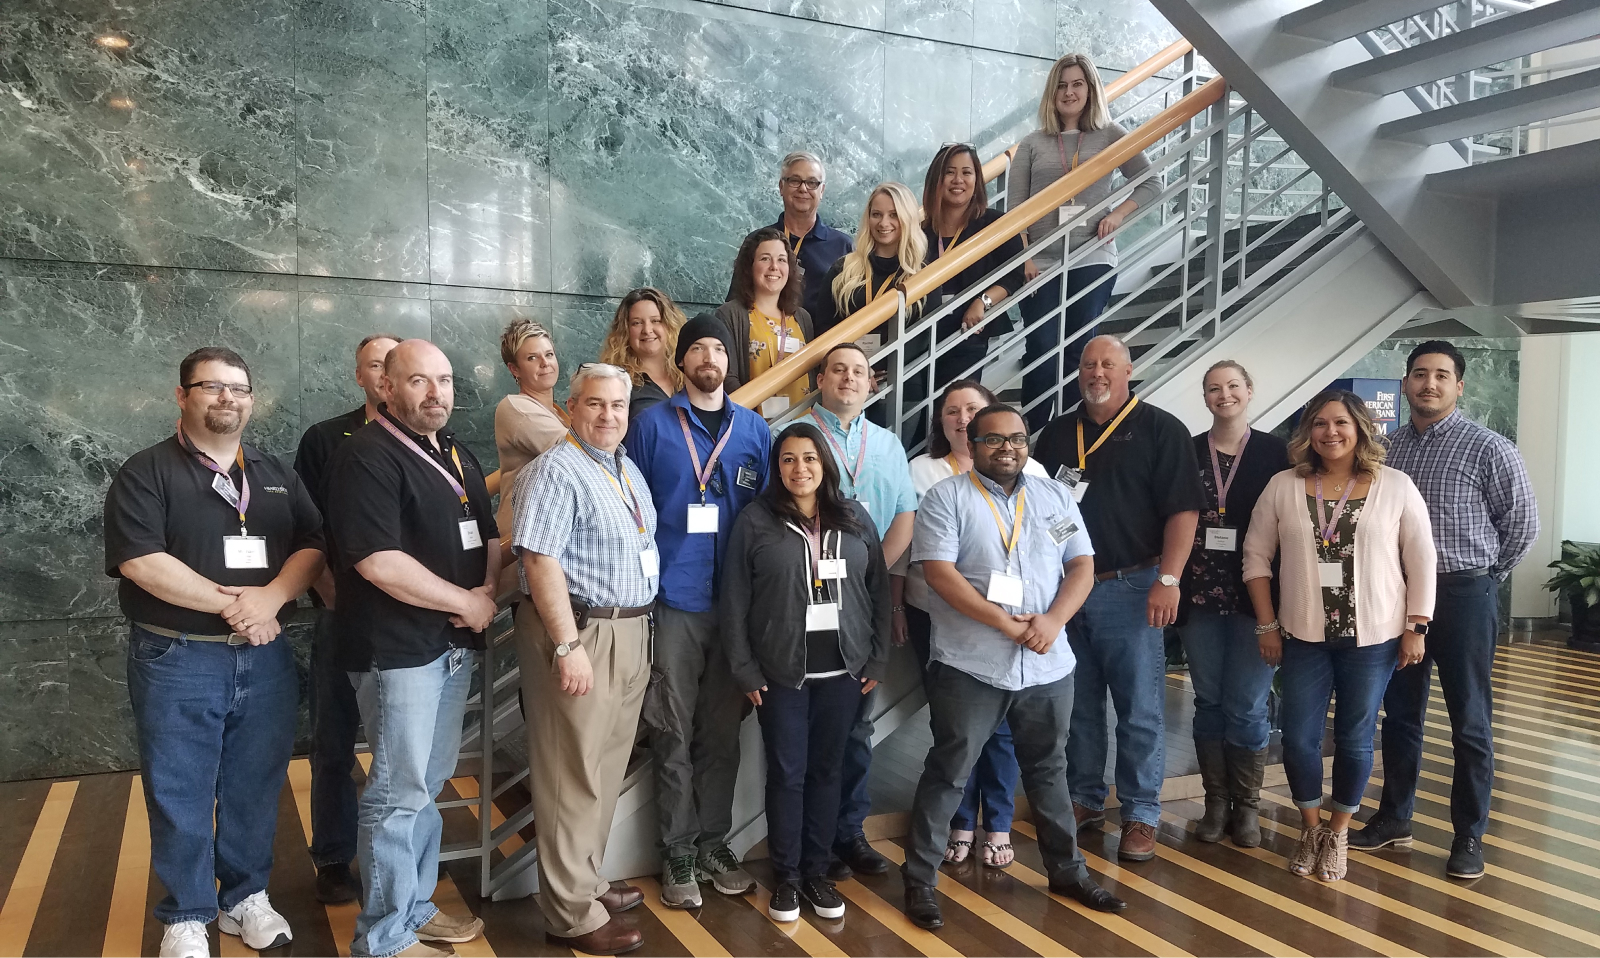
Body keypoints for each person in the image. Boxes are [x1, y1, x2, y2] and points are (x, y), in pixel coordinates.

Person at [105, 347, 325, 958]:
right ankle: (186, 913)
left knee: (256, 783)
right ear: (182, 396)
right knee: (181, 787)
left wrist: (274, 597)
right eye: (211, 387)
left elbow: (312, 544)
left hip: (266, 659)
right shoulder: (146, 471)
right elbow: (141, 561)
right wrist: (237, 606)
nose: (227, 398)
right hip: (178, 656)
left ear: (252, 400)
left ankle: (244, 898)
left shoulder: (277, 472)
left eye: (239, 388)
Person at [901, 403, 1123, 931]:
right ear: (972, 445)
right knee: (949, 771)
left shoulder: (1053, 496)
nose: (1008, 448)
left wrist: (1052, 621)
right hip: (970, 662)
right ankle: (919, 883)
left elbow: (1082, 565)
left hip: (1047, 661)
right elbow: (940, 574)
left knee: (1049, 770)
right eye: (995, 440)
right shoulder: (945, 497)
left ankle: (1067, 872)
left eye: (1017, 439)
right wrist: (1005, 624)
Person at [325, 339, 500, 958]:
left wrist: (487, 588)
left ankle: (413, 907)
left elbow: (490, 534)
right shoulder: (366, 458)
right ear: (386, 388)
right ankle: (383, 938)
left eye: (445, 380)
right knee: (398, 790)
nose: (436, 393)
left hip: (450, 646)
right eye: (419, 381)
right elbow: (378, 562)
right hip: (396, 651)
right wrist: (467, 601)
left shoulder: (455, 452)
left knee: (427, 782)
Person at [1352, 340, 1538, 880]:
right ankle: (1395, 819)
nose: (1428, 384)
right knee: (1401, 715)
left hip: (1462, 597)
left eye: (1440, 375)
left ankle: (1469, 836)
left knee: (1470, 722)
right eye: (1418, 375)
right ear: (1405, 383)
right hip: (1398, 599)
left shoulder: (1490, 448)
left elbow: (1522, 528)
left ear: (1459, 385)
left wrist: (1484, 579)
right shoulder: (1388, 451)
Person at [1243, 389, 1436, 884]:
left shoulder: (1395, 486)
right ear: (1307, 432)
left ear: (1361, 430)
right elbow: (1256, 557)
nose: (1331, 433)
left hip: (1372, 638)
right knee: (1300, 740)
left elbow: (1421, 561)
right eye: (1321, 424)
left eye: (1342, 423)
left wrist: (1416, 627)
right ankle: (1310, 829)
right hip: (1303, 636)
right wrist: (1267, 624)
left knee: (1353, 739)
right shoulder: (1284, 486)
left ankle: (1339, 832)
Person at [1032, 334, 1202, 862]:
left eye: (1108, 364)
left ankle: (1141, 812)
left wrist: (1168, 580)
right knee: (1078, 707)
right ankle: (1085, 799)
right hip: (1066, 590)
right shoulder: (1058, 434)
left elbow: (1184, 512)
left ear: (1129, 371)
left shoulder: (1161, 429)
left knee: (1140, 709)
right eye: (1087, 364)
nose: (1097, 373)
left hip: (1134, 587)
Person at [511, 363, 659, 956]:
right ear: (571, 407)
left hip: (629, 630)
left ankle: (588, 880)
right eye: (594, 404)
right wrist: (568, 645)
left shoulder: (623, 467)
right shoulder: (556, 470)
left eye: (617, 406)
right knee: (571, 773)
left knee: (602, 768)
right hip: (581, 635)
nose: (608, 415)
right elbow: (540, 560)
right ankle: (570, 913)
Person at [624, 314, 771, 908]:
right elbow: (631, 508)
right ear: (681, 361)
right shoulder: (650, 426)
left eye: (719, 347)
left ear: (729, 361)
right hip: (674, 601)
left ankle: (714, 841)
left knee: (723, 732)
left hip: (736, 606)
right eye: (698, 348)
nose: (709, 356)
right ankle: (678, 849)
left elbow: (765, 519)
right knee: (673, 730)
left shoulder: (755, 430)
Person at [721, 421, 891, 923]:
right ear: (777, 468)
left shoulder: (855, 517)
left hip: (845, 671)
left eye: (810, 459)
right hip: (779, 676)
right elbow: (733, 601)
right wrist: (745, 670)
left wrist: (878, 657)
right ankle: (787, 878)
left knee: (827, 772)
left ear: (825, 465)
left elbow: (880, 589)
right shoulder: (756, 520)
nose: (800, 468)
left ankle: (817, 871)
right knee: (788, 775)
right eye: (789, 459)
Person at [903, 380, 1050, 869]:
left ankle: (1000, 821)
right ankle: (962, 819)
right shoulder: (924, 471)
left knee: (1005, 730)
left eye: (973, 409)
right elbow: (919, 554)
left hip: (1021, 622)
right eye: (951, 411)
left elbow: (1059, 550)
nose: (962, 418)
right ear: (942, 422)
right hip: (944, 617)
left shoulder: (1036, 476)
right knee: (959, 731)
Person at [799, 343, 918, 880]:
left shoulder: (890, 444)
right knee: (804, 730)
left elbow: (904, 518)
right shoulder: (796, 436)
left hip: (861, 606)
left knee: (856, 729)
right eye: (838, 370)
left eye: (859, 372)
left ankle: (848, 833)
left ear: (874, 384)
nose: (849, 379)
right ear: (820, 378)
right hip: (804, 601)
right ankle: (808, 841)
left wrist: (870, 580)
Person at [292, 331, 401, 904]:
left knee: (400, 750)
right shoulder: (324, 439)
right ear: (360, 376)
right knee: (333, 742)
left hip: (408, 624)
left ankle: (396, 865)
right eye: (374, 365)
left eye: (394, 363)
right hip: (341, 614)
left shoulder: (432, 442)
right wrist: (333, 597)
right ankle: (334, 858)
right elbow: (308, 530)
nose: (385, 373)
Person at [1013, 53, 1160, 432]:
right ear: (1052, 92)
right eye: (1062, 85)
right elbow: (1016, 211)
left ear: (1090, 89)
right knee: (1042, 350)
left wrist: (1118, 214)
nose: (1069, 92)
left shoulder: (1110, 134)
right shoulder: (1032, 143)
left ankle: (1071, 435)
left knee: (1078, 352)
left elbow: (1150, 183)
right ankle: (1032, 435)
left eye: (1077, 84)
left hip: (1092, 257)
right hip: (1040, 262)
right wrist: (1025, 255)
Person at [1178, 361, 1288, 849]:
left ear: (1250, 391)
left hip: (1255, 598)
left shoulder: (1277, 453)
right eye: (1213, 388)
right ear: (1204, 397)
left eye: (1233, 386)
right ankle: (1215, 802)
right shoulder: (1186, 451)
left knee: (1246, 704)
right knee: (1209, 701)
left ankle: (1246, 807)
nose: (1224, 395)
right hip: (1198, 596)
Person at [921, 143, 1025, 391]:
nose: (958, 180)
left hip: (968, 330)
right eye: (949, 172)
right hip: (923, 336)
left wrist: (983, 302)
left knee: (955, 403)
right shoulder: (921, 232)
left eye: (966, 172)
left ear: (977, 180)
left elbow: (1014, 274)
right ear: (937, 178)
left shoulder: (993, 224)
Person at [730, 151, 854, 325]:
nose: (803, 188)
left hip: (823, 347)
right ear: (781, 187)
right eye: (795, 181)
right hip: (764, 346)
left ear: (822, 191)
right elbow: (736, 301)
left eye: (812, 182)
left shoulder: (843, 247)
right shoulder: (758, 241)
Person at [494, 319, 569, 593]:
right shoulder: (516, 407)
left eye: (549, 354)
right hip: (523, 549)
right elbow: (578, 455)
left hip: (551, 546)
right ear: (514, 369)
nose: (545, 363)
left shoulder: (559, 412)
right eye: (532, 358)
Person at [814, 181, 927, 348]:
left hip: (900, 372)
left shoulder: (924, 275)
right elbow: (823, 327)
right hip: (848, 371)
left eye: (893, 215)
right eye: (876, 214)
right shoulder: (842, 269)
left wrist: (882, 367)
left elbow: (923, 339)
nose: (883, 223)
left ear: (907, 218)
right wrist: (856, 368)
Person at [717, 228, 814, 414]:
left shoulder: (802, 318)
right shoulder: (730, 314)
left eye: (781, 260)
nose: (774, 267)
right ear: (749, 266)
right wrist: (752, 420)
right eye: (765, 258)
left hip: (801, 426)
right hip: (753, 425)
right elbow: (727, 377)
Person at [599, 287, 688, 418]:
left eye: (655, 321)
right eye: (637, 323)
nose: (647, 330)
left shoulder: (688, 375)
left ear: (670, 325)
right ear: (625, 331)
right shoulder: (616, 382)